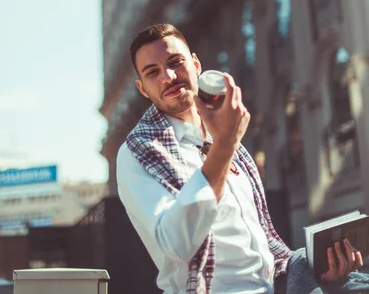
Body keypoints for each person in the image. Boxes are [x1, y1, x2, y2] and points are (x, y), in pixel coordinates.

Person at [117, 23, 369, 294]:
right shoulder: (138, 152)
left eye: (176, 62)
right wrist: (224, 146)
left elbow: (261, 243)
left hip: (281, 280)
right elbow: (176, 245)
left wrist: (328, 274)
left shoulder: (220, 129)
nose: (168, 76)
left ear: (196, 65)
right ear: (142, 89)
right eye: (152, 72)